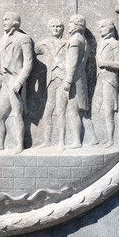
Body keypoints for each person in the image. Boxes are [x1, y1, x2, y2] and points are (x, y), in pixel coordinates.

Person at [0, 11, 34, 154]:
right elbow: (2, 65)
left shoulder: (24, 38)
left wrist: (19, 82)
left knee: (17, 114)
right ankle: (0, 144)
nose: (4, 22)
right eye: (3, 19)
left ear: (15, 21)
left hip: (15, 80)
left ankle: (20, 145)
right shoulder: (2, 39)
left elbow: (28, 63)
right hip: (6, 82)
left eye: (6, 19)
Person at [34, 18, 67, 147]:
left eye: (58, 26)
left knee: (61, 110)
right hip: (50, 80)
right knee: (48, 111)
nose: (55, 29)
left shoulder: (67, 43)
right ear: (49, 28)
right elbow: (31, 53)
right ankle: (47, 140)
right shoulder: (44, 44)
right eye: (53, 26)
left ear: (62, 29)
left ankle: (61, 141)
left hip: (63, 79)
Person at [62, 14, 89, 149]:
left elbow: (72, 62)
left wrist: (68, 80)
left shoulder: (75, 40)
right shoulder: (83, 39)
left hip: (75, 80)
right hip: (80, 78)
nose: (68, 25)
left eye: (71, 23)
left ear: (77, 25)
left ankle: (77, 141)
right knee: (80, 111)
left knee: (73, 111)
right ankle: (93, 139)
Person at [96, 19, 119, 146]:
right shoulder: (101, 43)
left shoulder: (115, 43)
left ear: (110, 27)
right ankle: (105, 137)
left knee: (109, 110)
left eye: (102, 27)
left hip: (109, 80)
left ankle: (111, 139)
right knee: (100, 109)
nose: (100, 29)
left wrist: (105, 64)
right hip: (100, 79)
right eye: (99, 27)